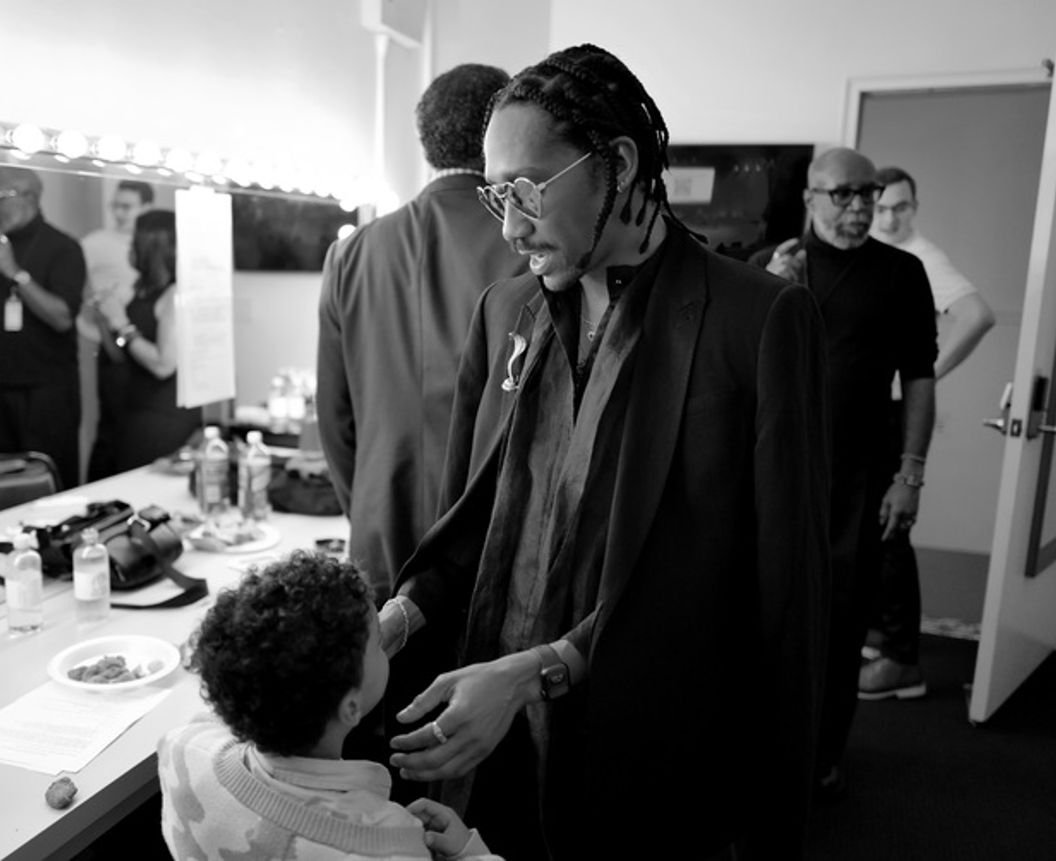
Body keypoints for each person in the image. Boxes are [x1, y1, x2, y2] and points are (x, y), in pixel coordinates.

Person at [378, 44, 831, 861]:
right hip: (495, 745)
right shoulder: (504, 311)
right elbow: (472, 518)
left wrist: (536, 669)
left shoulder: (755, 321)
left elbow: (769, 592)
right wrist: (399, 615)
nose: (510, 228)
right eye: (494, 195)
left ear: (616, 164)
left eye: (525, 191)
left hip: (649, 752)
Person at [316, 62, 527, 605]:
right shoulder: (532, 247)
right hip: (491, 538)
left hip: (379, 532)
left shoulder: (351, 254)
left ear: (425, 143)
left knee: (385, 686)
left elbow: (334, 420)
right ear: (502, 132)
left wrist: (365, 504)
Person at [765, 148, 938, 798]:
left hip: (861, 480)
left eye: (868, 193)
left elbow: (919, 375)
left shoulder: (902, 273)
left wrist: (911, 473)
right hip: (777, 478)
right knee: (769, 615)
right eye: (843, 194)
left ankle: (823, 752)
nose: (860, 205)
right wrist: (773, 290)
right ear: (810, 197)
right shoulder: (775, 268)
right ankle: (761, 744)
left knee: (839, 627)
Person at [158, 551, 501, 861]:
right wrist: (470, 855)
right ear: (351, 708)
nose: (384, 634)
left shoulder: (184, 748)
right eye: (377, 641)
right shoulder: (386, 844)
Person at [859, 165, 996, 700]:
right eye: (883, 205)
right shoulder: (867, 245)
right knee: (866, 527)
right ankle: (878, 637)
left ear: (914, 208)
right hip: (865, 409)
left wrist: (922, 377)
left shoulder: (921, 255)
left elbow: (978, 315)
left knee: (891, 531)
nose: (890, 217)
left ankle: (901, 661)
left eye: (902, 207)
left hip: (893, 412)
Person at [0, 166, 86, 490]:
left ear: (30, 198)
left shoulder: (64, 248)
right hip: (5, 388)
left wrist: (15, 273)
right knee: (6, 482)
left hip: (49, 394)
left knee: (48, 484)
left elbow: (62, 317)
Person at [89, 209, 199, 475]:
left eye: (134, 239)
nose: (129, 245)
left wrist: (122, 323)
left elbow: (163, 364)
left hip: (160, 419)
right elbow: (122, 353)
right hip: (131, 411)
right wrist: (106, 319)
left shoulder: (174, 295)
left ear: (151, 246)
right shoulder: (143, 290)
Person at [80, 180, 154, 481]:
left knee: (139, 430)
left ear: (146, 208)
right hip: (113, 346)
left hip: (148, 344)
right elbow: (79, 298)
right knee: (111, 429)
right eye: (116, 205)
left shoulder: (155, 242)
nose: (120, 213)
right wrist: (100, 329)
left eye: (128, 206)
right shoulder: (94, 244)